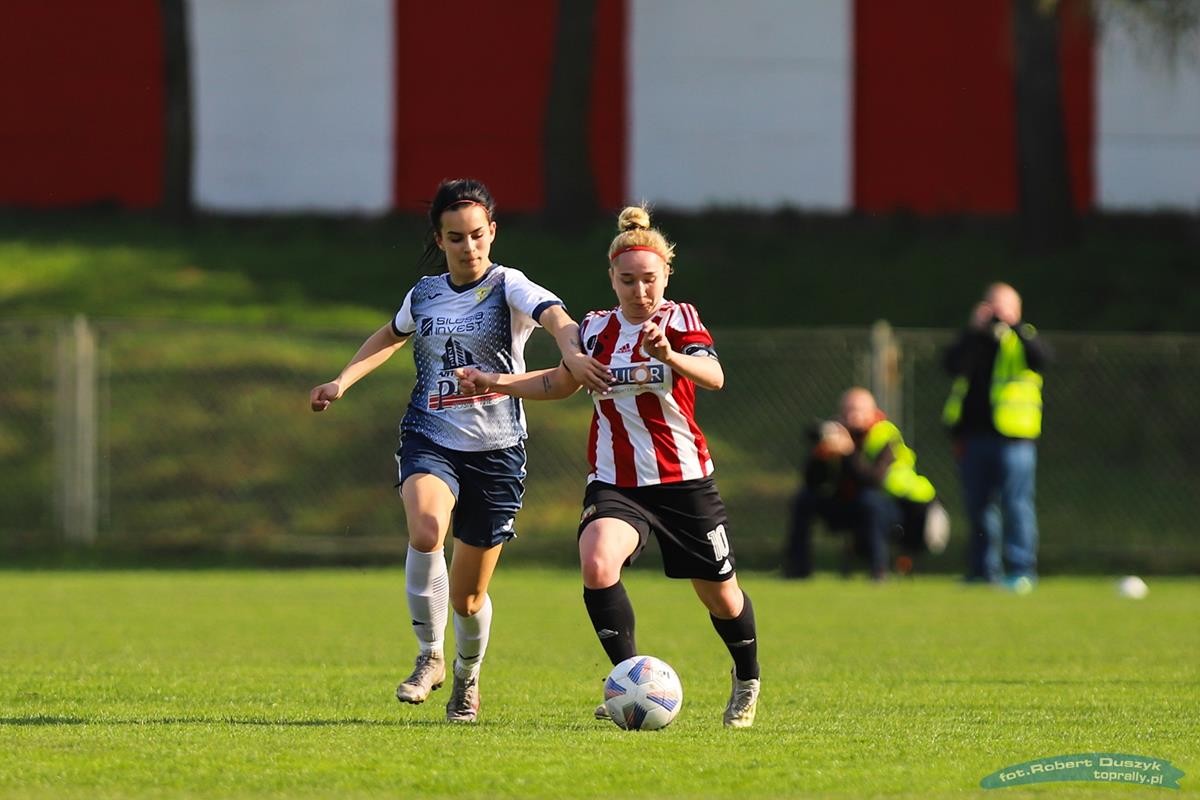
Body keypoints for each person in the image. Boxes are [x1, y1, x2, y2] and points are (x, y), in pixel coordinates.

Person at [309, 178, 609, 723]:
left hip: (497, 452)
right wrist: (341, 380)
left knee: (468, 599)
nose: (468, 247)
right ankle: (429, 656)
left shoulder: (507, 285)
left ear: (492, 231)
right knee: (426, 529)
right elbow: (390, 335)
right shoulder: (424, 294)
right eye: (455, 237)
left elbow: (557, 317)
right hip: (430, 435)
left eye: (476, 235)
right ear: (439, 239)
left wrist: (572, 350)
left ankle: (467, 678)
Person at [456, 205, 761, 728]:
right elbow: (557, 382)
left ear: (666, 276)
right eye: (628, 281)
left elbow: (714, 376)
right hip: (615, 483)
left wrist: (670, 356)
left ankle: (747, 677)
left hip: (684, 481)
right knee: (597, 564)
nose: (640, 291)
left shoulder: (680, 320)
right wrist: (493, 381)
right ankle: (629, 681)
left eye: (649, 279)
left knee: (721, 596)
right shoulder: (595, 330)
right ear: (612, 279)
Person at [942, 282, 1049, 590]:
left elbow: (1042, 358)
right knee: (978, 507)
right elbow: (951, 365)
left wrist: (1014, 325)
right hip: (974, 437)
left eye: (1003, 306)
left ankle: (1021, 569)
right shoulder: (975, 340)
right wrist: (972, 331)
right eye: (992, 305)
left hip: (1014, 438)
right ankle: (982, 570)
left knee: (1016, 504)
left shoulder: (1023, 337)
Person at [783, 388, 947, 581]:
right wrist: (821, 455)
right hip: (846, 503)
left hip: (891, 507)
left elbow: (873, 480)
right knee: (804, 499)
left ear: (873, 412)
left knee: (869, 502)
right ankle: (798, 570)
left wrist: (849, 452)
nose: (852, 415)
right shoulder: (836, 433)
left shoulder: (885, 436)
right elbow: (812, 481)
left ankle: (878, 570)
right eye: (847, 410)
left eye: (858, 410)